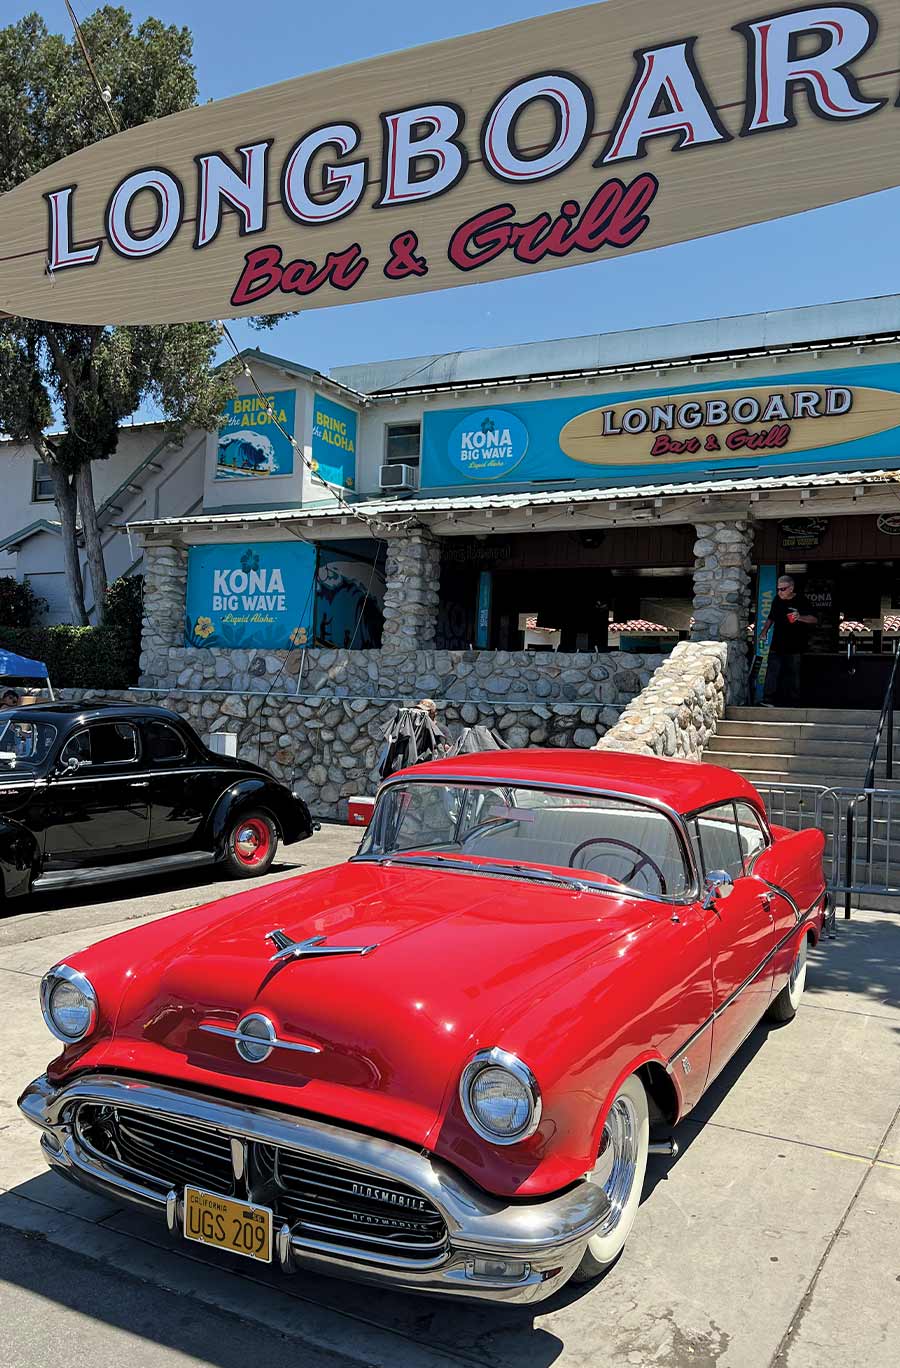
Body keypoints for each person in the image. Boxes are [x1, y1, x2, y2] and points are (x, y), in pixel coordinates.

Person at [762, 575, 817, 706]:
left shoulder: (802, 600)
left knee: (794, 675)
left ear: (791, 588)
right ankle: (768, 700)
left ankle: (794, 703)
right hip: (777, 644)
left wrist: (799, 617)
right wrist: (764, 631)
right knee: (772, 672)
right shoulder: (776, 600)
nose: (779, 592)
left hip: (795, 645)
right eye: (778, 589)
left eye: (783, 589)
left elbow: (814, 619)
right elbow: (771, 617)